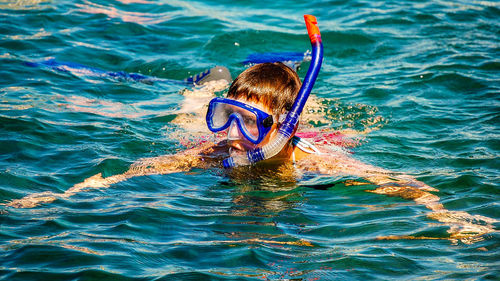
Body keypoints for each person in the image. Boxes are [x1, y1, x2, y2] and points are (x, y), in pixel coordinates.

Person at [7, 62, 496, 244]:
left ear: (282, 128)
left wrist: (449, 216)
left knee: (318, 124)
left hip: (300, 136)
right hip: (238, 129)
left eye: (253, 123)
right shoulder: (218, 147)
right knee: (192, 107)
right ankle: (213, 87)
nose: (236, 134)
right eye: (229, 117)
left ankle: (286, 87)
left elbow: (403, 184)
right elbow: (132, 172)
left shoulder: (314, 160)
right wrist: (59, 198)